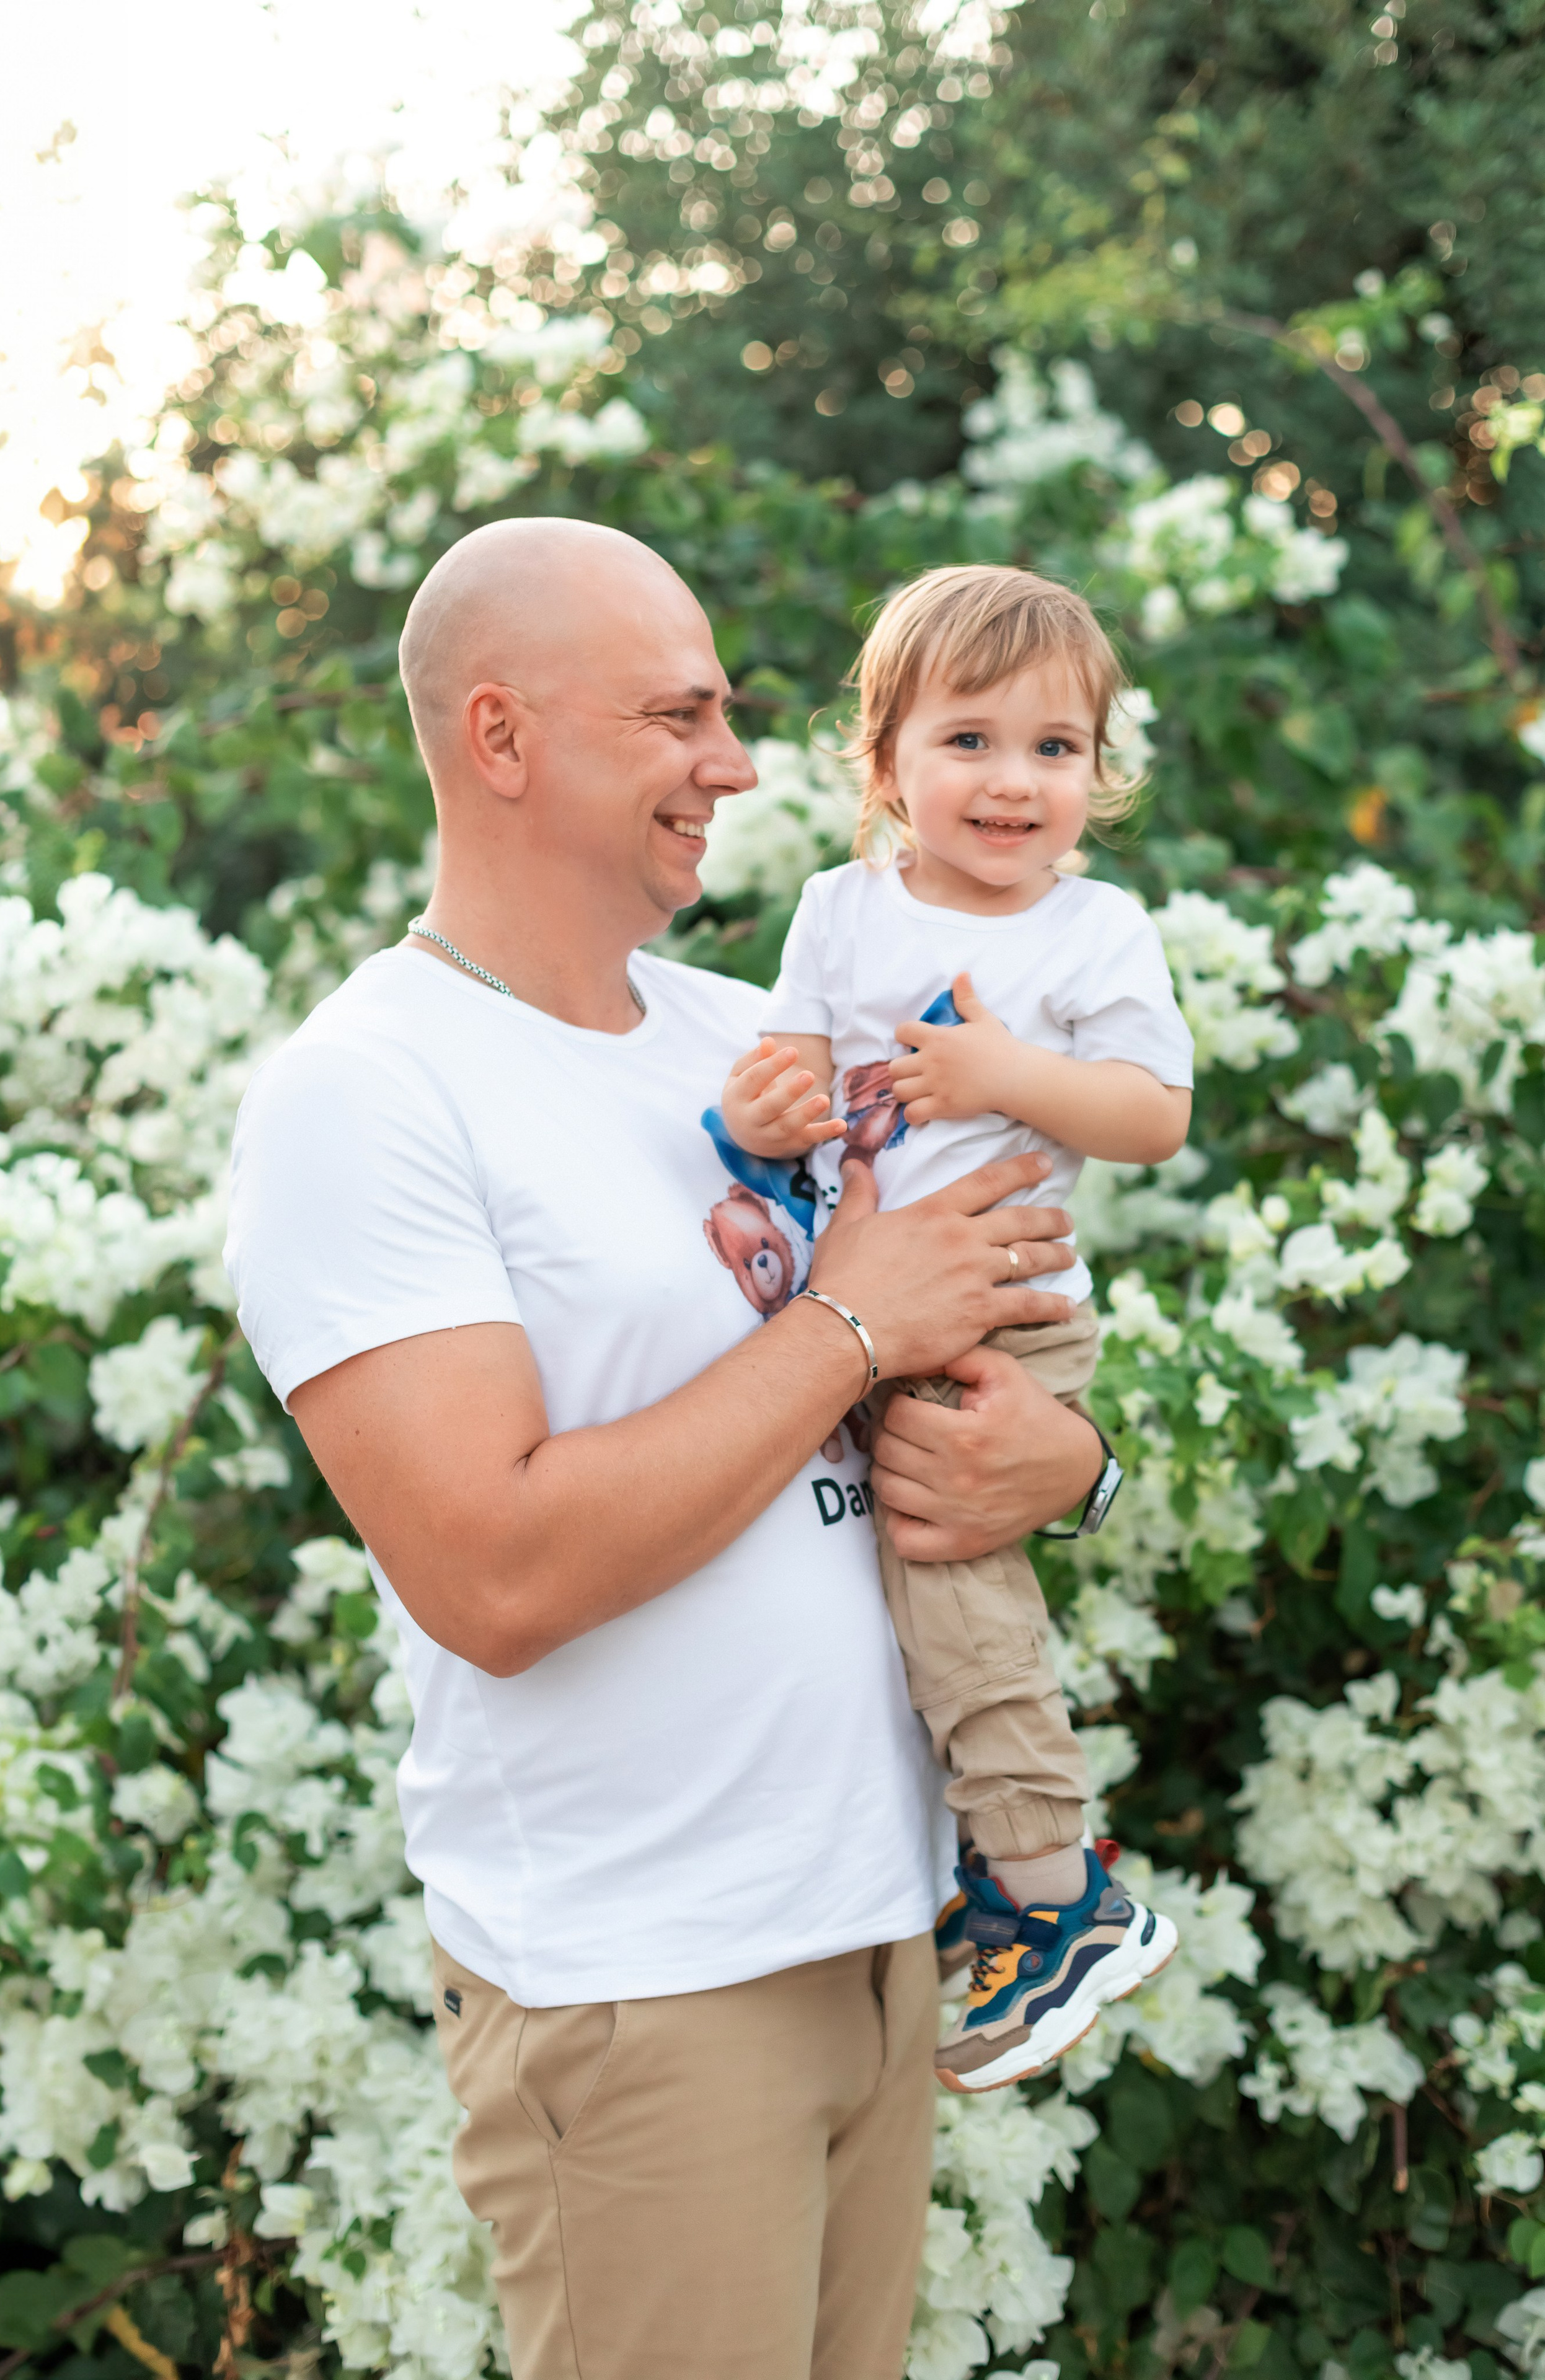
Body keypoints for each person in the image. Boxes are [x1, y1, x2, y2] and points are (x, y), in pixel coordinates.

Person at [224, 518, 1108, 2380]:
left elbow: (981, 1340)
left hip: (885, 1939)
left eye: (729, 714)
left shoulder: (749, 1039)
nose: (734, 765)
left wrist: (1072, 1460)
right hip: (647, 1990)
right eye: (677, 716)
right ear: (502, 736)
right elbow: (495, 1573)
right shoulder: (367, 1093)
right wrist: (850, 1319)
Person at [717, 565, 1193, 2092]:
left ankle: (1053, 1889)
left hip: (1000, 1315)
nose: (1013, 782)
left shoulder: (1091, 934)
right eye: (970, 741)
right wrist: (758, 1105)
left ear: (1098, 775)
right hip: (859, 1307)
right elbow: (785, 1073)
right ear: (885, 763)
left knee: (947, 1582)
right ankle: (975, 1864)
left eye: (1055, 749)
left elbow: (1152, 1114)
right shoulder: (835, 913)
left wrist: (1001, 1077)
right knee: (893, 1591)